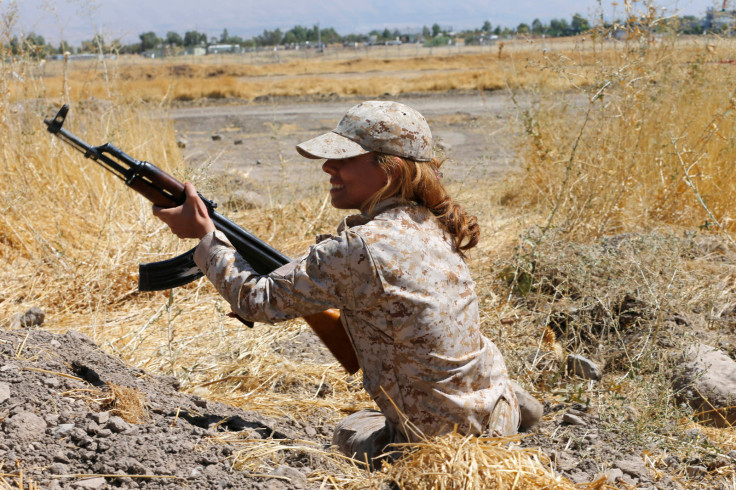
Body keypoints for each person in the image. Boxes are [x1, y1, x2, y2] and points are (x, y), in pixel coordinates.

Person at [152, 100, 524, 468]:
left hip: (432, 448)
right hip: (494, 408)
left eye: (344, 158)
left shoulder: (360, 245)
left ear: (390, 171)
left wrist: (203, 236)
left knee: (351, 427)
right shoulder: (434, 223)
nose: (328, 167)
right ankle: (514, 411)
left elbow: (255, 301)